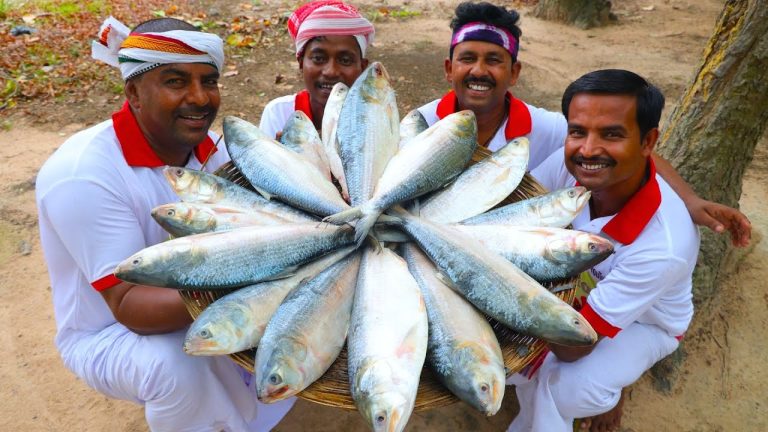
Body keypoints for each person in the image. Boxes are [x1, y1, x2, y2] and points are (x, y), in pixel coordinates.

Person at [36, 17, 293, 431]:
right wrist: (261, 286)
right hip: (110, 333)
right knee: (175, 364)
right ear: (134, 93)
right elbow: (130, 307)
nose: (200, 97)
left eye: (209, 81)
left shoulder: (213, 151)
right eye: (176, 82)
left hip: (193, 297)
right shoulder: (83, 174)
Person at [418, 1, 751, 247]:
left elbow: (632, 151)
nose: (479, 71)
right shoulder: (423, 124)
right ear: (449, 69)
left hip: (506, 240)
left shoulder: (544, 126)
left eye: (494, 60)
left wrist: (690, 202)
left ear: (514, 73)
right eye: (467, 59)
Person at [507, 69, 699, 432]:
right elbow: (517, 214)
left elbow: (571, 345)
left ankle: (599, 394)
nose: (588, 149)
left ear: (648, 141)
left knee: (562, 385)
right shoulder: (577, 172)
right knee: (521, 362)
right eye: (578, 131)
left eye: (611, 134)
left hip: (645, 324)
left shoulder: (662, 246)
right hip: (579, 293)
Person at [258, 0, 374, 138]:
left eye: (345, 60)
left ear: (362, 68)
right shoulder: (280, 113)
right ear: (301, 63)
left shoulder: (374, 119)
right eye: (318, 59)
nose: (331, 71)